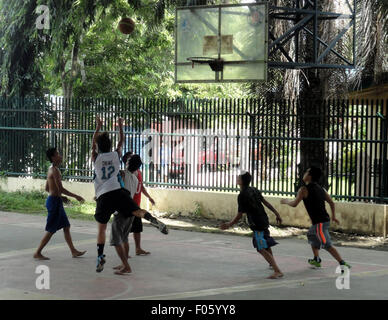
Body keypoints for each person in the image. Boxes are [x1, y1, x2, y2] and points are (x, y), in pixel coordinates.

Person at [92, 116, 168, 273]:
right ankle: (151, 219)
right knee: (136, 211)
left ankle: (100, 256)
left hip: (103, 195)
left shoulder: (96, 158)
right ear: (110, 146)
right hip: (117, 191)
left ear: (99, 146)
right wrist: (120, 126)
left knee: (101, 229)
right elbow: (121, 141)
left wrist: (98, 127)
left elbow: (93, 143)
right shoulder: (115, 155)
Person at [280, 166, 351, 270]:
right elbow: (331, 202)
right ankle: (316, 259)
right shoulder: (321, 189)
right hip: (322, 222)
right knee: (311, 235)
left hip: (320, 223)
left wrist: (285, 201)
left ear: (309, 176)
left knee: (326, 244)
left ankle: (342, 263)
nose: (304, 174)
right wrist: (334, 216)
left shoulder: (303, 190)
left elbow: (294, 203)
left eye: (306, 172)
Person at [220, 171, 284, 279]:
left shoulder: (242, 195)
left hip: (256, 222)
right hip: (263, 219)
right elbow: (266, 203)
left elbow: (240, 214)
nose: (237, 178)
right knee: (265, 242)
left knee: (260, 247)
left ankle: (277, 270)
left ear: (241, 181)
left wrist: (229, 224)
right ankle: (271, 263)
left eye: (238, 177)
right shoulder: (254, 190)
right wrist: (276, 213)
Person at [33, 147, 86, 260]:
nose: (60, 156)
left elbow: (48, 188)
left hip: (55, 201)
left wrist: (60, 197)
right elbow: (60, 188)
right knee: (51, 229)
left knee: (66, 226)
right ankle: (37, 252)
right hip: (54, 202)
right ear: (53, 157)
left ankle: (73, 251)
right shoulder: (55, 170)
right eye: (57, 154)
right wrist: (75, 196)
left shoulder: (51, 169)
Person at [110, 154, 142, 274]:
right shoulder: (135, 178)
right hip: (131, 210)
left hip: (122, 210)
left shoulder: (122, 174)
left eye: (127, 160)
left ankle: (126, 266)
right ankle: (124, 263)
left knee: (116, 239)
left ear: (128, 163)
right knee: (124, 238)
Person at [122, 152, 155, 256]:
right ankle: (125, 254)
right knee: (125, 230)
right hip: (130, 205)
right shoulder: (127, 174)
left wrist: (149, 197)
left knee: (136, 228)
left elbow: (141, 187)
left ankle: (137, 249)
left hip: (134, 204)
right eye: (130, 157)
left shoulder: (136, 174)